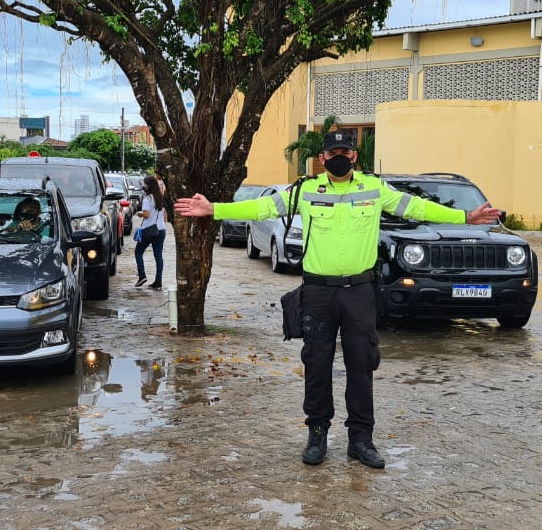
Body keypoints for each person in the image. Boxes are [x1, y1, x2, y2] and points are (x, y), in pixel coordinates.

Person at [174, 133, 502, 469]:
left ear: (355, 156)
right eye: (333, 153)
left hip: (359, 291)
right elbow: (263, 206)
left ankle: (361, 440)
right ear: (323, 158)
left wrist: (464, 217)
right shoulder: (306, 190)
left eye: (344, 152)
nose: (338, 158)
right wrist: (214, 209)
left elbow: (415, 206)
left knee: (361, 366)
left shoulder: (374, 190)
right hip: (318, 292)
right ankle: (317, 434)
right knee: (317, 365)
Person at [135, 175, 168, 289]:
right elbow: (163, 215)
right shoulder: (161, 198)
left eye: (145, 184)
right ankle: (158, 281)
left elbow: (147, 215)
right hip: (161, 229)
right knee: (158, 256)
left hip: (149, 230)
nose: (144, 186)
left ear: (148, 186)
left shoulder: (147, 199)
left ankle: (142, 275)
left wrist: (140, 214)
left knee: (138, 252)